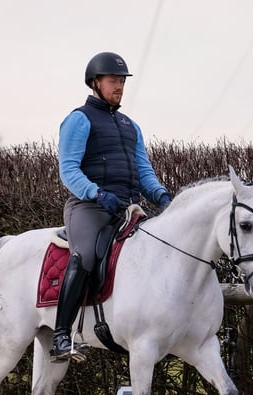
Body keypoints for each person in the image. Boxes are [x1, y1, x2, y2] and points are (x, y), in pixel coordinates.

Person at [51, 51, 171, 362]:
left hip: (126, 208)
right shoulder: (79, 119)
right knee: (86, 255)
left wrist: (161, 195)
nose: (119, 86)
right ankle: (61, 335)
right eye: (113, 81)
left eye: (121, 81)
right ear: (95, 83)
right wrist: (96, 193)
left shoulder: (131, 126)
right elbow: (69, 170)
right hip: (89, 207)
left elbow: (143, 170)